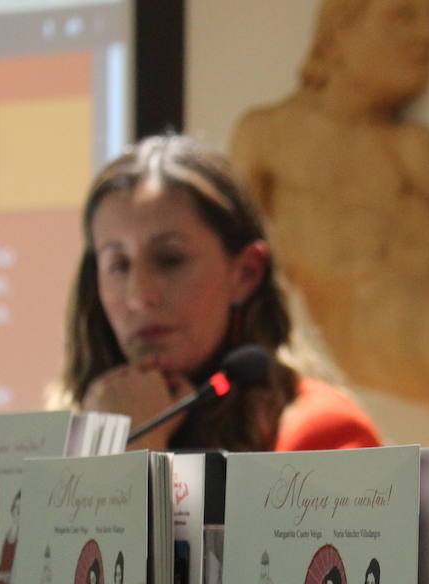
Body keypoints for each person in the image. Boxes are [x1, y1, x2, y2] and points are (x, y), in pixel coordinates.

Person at [231, 0, 429, 506]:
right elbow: (232, 247)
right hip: (341, 318)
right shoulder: (269, 134)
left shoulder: (411, 148)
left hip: (410, 311)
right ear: (341, 30)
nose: (425, 37)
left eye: (428, 23)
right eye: (403, 16)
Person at [58, 134, 380, 453]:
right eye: (118, 265)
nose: (140, 295)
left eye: (170, 260)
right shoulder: (63, 436)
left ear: (246, 274)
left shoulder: (324, 435)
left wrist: (133, 443)